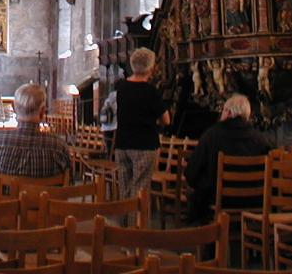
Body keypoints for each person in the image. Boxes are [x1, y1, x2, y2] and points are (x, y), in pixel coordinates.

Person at [183, 93, 271, 222]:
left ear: (229, 113)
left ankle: (206, 234)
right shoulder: (260, 139)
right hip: (254, 200)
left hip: (221, 199)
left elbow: (191, 173)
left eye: (223, 110)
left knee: (196, 193)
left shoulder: (211, 135)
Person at [0, 83, 69, 183]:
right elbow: (68, 184)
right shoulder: (59, 146)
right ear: (42, 112)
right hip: (45, 198)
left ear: (14, 108)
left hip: (2, 199)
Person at [112, 47, 170, 199]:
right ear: (150, 67)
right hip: (144, 144)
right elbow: (166, 120)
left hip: (122, 143)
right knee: (139, 190)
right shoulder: (151, 91)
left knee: (124, 189)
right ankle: (136, 223)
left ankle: (123, 222)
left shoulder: (121, 88)